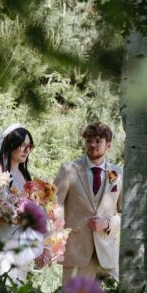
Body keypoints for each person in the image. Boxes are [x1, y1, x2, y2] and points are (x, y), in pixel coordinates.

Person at [0, 123, 46, 283]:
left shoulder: (23, 173)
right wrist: (4, 218)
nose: (27, 150)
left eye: (30, 146)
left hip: (21, 247)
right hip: (1, 244)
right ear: (10, 144)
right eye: (22, 146)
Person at [53, 121, 122, 283]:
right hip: (76, 253)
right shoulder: (69, 170)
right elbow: (54, 206)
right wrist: (54, 238)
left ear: (108, 145)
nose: (93, 144)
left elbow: (126, 214)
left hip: (107, 255)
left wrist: (108, 223)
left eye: (98, 141)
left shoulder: (119, 174)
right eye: (89, 140)